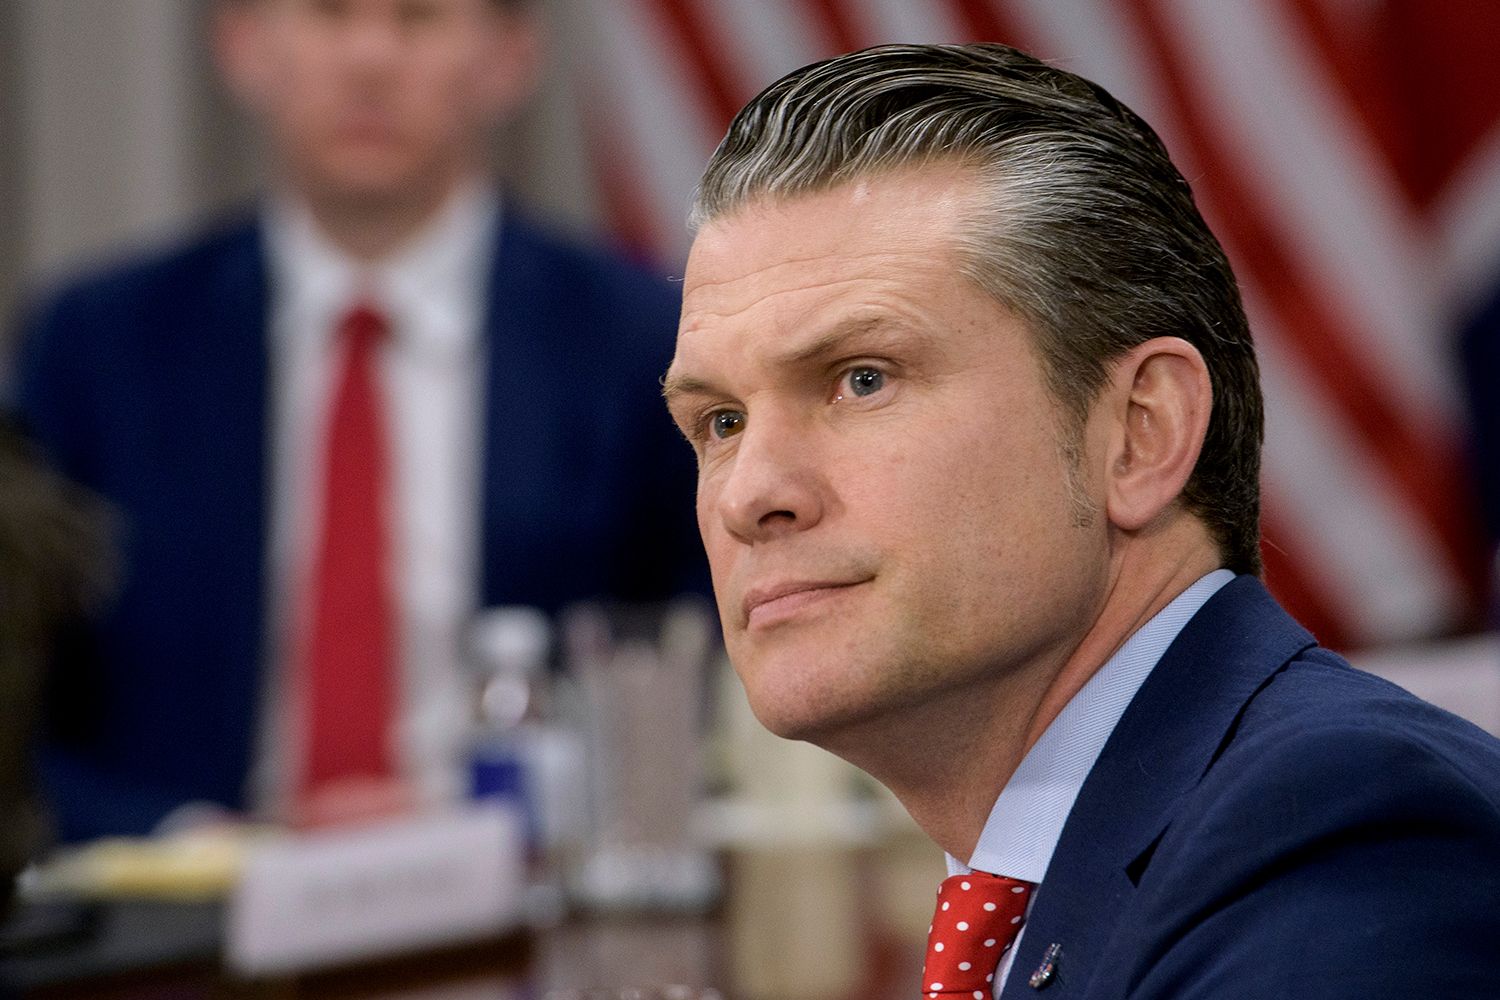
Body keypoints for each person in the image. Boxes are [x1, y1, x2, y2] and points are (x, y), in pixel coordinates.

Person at [663, 44, 1500, 998]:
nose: (747, 494)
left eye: (863, 379)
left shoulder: (1340, 835)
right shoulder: (1077, 867)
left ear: (1141, 436)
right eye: (719, 422)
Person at [13, 0, 704, 840]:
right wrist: (194, 845)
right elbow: (21, 723)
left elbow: (700, 685)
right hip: (187, 924)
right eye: (330, 12)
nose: (370, 57)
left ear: (510, 56)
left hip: (520, 914)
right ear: (243, 43)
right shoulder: (99, 344)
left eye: (417, 18)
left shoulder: (640, 342)